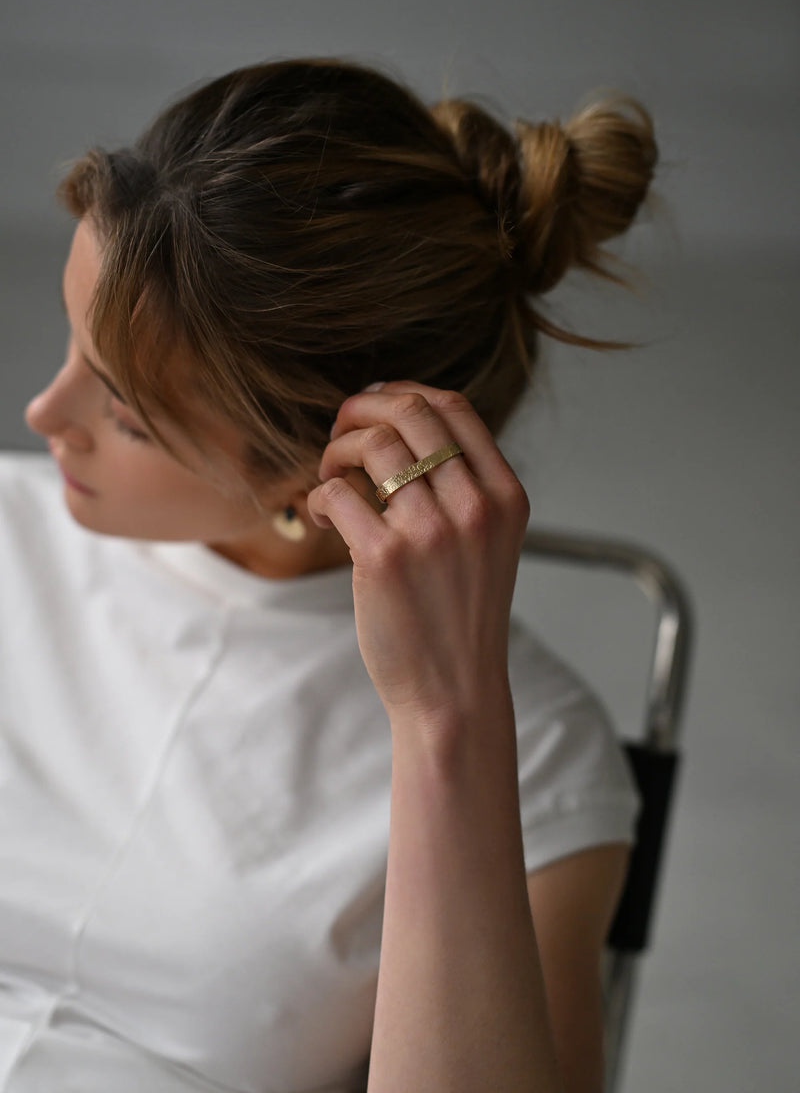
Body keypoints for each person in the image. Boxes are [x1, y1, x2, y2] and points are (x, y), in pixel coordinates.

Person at [0, 57, 657, 1092]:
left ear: (325, 469)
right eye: (72, 345)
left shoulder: (530, 756)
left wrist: (443, 722)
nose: (43, 418)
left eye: (124, 413)